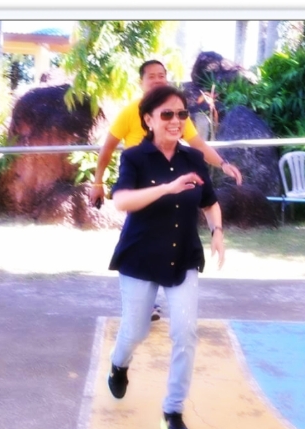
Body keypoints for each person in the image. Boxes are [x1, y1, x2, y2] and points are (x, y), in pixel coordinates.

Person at [106, 85, 225, 429]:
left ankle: (173, 411)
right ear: (148, 119)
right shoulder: (135, 158)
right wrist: (167, 188)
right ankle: (119, 364)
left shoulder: (194, 159)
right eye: (167, 114)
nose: (176, 121)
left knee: (185, 333)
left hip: (183, 256)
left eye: (182, 114)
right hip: (140, 256)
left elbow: (209, 202)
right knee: (136, 331)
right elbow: (122, 201)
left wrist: (217, 231)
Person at [90, 60, 240, 321]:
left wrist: (223, 163)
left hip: (175, 176)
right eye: (151, 76)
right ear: (141, 82)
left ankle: (163, 294)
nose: (158, 79)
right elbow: (108, 148)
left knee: (175, 234)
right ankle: (143, 297)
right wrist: (98, 182)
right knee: (145, 235)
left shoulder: (177, 116)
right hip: (141, 183)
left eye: (162, 75)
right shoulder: (130, 115)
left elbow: (197, 144)